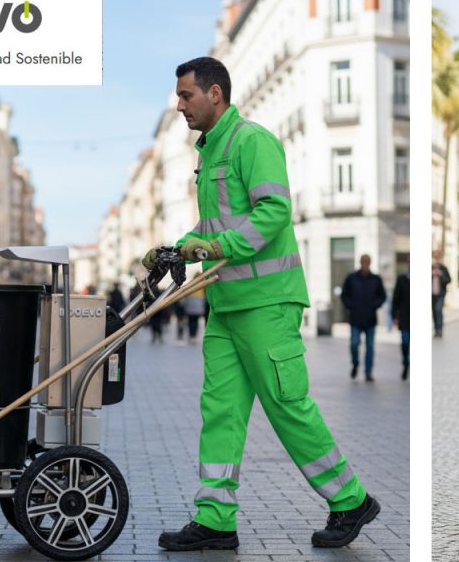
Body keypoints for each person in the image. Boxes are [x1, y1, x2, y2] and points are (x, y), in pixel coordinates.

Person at [143, 57, 378, 552]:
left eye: (186, 96)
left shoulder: (252, 141)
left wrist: (217, 247)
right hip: (228, 304)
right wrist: (177, 246)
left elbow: (274, 211)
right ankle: (215, 519)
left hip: (267, 302)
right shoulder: (211, 153)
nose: (181, 105)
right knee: (221, 411)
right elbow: (213, 230)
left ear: (215, 94)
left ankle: (350, 499)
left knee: (286, 405)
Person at [340, 254, 386, 382]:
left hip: (370, 318)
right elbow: (344, 295)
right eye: (363, 262)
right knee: (354, 343)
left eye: (367, 262)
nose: (365, 264)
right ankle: (355, 364)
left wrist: (374, 305)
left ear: (370, 263)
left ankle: (368, 372)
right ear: (360, 263)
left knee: (370, 346)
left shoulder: (376, 279)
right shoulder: (352, 278)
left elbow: (382, 296)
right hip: (355, 318)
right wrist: (351, 306)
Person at [391, 269, 410, 380]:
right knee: (405, 342)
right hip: (404, 317)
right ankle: (405, 363)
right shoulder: (402, 279)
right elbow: (396, 298)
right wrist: (394, 316)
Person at [431, 251, 451, 338]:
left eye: (437, 257)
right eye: (434, 257)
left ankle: (440, 330)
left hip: (441, 294)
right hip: (432, 294)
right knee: (434, 311)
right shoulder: (430, 268)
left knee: (438, 309)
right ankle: (436, 330)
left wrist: (441, 274)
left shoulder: (443, 268)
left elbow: (449, 280)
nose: (436, 259)